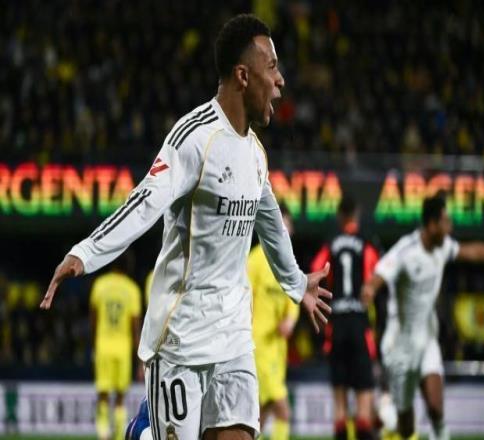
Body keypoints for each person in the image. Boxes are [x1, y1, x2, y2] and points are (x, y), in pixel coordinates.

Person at [41, 14, 332, 440]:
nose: (281, 80)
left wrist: (296, 282)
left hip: (234, 338)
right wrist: (85, 252)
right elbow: (144, 202)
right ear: (243, 75)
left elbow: (269, 218)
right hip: (181, 338)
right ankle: (144, 430)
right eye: (272, 67)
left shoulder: (254, 153)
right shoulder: (195, 138)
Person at [362, 194, 484, 440]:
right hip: (400, 347)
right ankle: (387, 416)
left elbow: (473, 252)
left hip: (427, 340)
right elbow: (380, 274)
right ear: (432, 224)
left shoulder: (443, 247)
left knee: (436, 408)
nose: (450, 227)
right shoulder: (406, 250)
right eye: (446, 221)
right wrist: (370, 289)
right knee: (406, 426)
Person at [310, 196, 379, 440]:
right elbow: (375, 276)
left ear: (340, 216)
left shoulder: (330, 244)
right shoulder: (367, 243)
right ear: (356, 214)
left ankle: (341, 429)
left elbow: (316, 269)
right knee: (364, 401)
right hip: (359, 323)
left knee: (340, 406)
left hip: (336, 324)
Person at [248, 204, 299, 440]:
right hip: (258, 345)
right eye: (282, 226)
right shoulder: (256, 260)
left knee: (263, 410)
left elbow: (294, 300)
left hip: (278, 348)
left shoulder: (288, 263)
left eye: (288, 227)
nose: (286, 231)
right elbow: (245, 298)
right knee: (282, 410)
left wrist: (289, 321)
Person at [90, 253, 142, 440]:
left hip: (103, 345)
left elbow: (93, 319)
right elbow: (135, 327)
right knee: (120, 397)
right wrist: (139, 359)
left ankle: (103, 434)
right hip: (123, 349)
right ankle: (119, 436)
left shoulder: (100, 285)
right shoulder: (132, 289)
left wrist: (94, 344)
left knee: (103, 394)